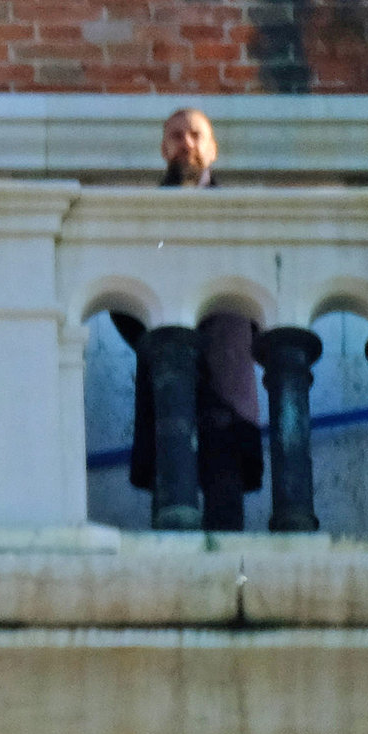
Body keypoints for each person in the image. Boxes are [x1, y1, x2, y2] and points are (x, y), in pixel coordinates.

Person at [115, 108, 265, 530]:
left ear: (212, 148)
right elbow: (120, 293)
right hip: (164, 367)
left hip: (227, 369)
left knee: (225, 495)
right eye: (177, 136)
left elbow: (262, 287)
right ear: (164, 148)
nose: (187, 143)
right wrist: (154, 342)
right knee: (170, 494)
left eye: (197, 135)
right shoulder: (141, 217)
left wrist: (236, 341)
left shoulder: (242, 216)